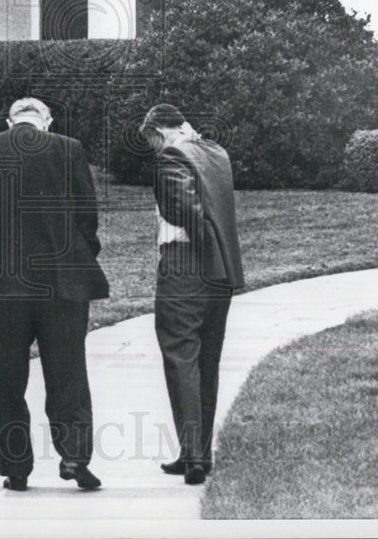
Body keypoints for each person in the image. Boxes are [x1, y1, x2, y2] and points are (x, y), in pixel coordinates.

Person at [0, 97, 109, 492]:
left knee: (7, 376)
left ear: (10, 121)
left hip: (1, 283)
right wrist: (82, 255)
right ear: (47, 120)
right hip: (62, 280)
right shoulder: (68, 148)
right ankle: (74, 455)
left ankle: (16, 467)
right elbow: (86, 214)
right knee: (68, 370)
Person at [140, 104, 245, 485]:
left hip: (185, 265)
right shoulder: (216, 153)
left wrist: (203, 248)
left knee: (181, 355)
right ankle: (197, 451)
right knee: (207, 359)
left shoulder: (171, 155)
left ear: (158, 133)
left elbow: (186, 209)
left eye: (152, 141)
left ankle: (194, 455)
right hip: (222, 273)